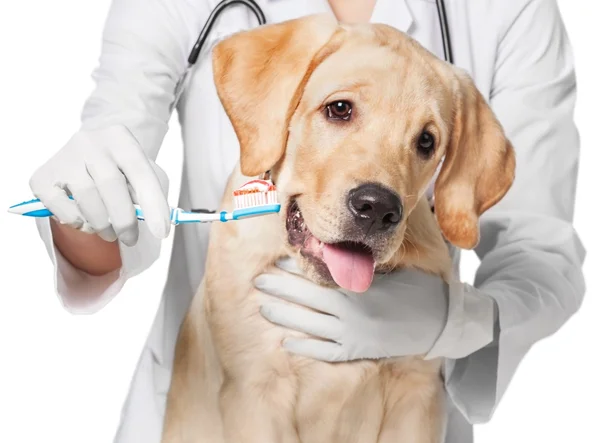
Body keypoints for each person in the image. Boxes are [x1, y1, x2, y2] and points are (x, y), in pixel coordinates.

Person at [27, 0, 586, 442]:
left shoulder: (514, 10)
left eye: (425, 141)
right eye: (340, 109)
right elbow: (115, 217)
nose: (378, 197)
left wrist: (454, 322)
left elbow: (543, 253)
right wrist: (90, 200)